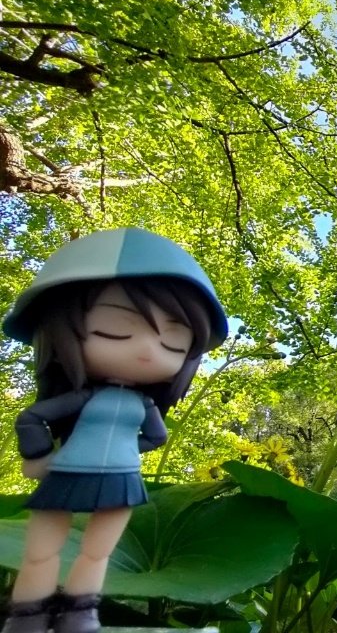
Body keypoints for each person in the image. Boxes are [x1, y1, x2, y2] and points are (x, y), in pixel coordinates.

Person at [1, 228, 227, 633]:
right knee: (41, 549)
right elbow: (31, 418)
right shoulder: (82, 398)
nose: (147, 350)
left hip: (121, 480)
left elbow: (156, 437)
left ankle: (81, 612)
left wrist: (125, 450)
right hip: (66, 472)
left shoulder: (143, 406)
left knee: (98, 552)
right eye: (115, 330)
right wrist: (38, 456)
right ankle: (27, 614)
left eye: (173, 343)